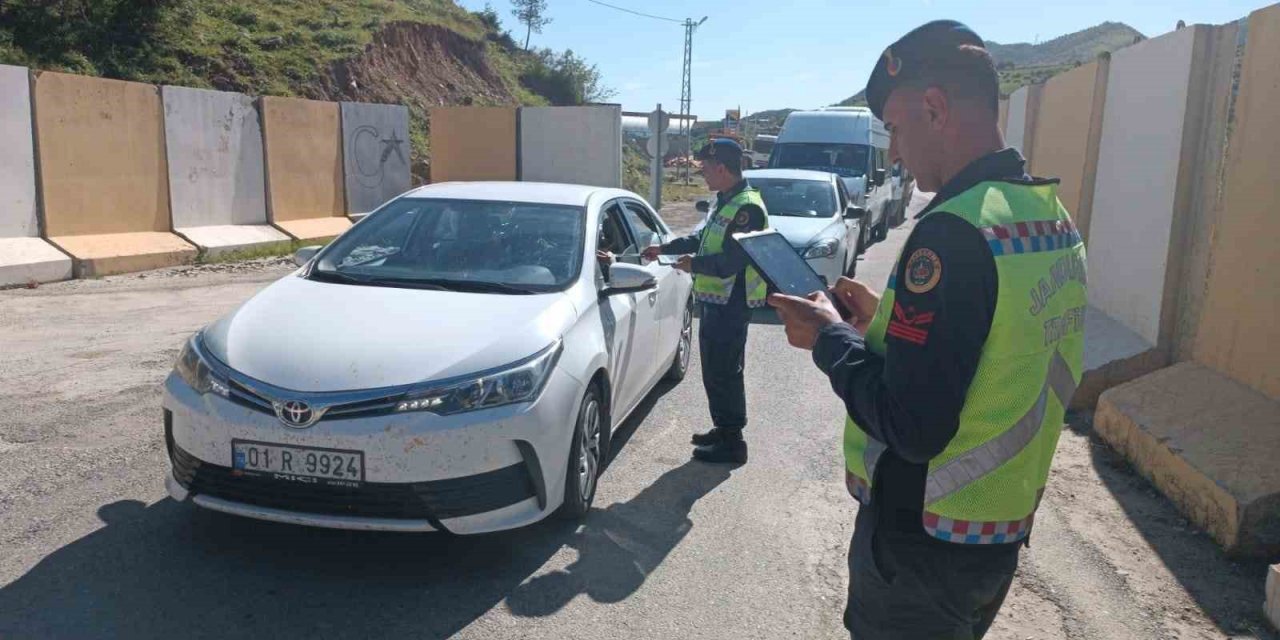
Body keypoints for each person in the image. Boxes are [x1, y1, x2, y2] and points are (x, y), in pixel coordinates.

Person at [768, 20, 1088, 639]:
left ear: (935, 108)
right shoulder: (1046, 216)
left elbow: (912, 425)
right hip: (993, 535)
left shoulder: (955, 231)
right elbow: (986, 349)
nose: (893, 152)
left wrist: (829, 339)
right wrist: (871, 325)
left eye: (894, 127)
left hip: (922, 548)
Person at [642, 139, 769, 464]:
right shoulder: (726, 201)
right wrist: (665, 248)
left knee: (725, 370)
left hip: (732, 302)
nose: (704, 176)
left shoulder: (747, 208)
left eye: (706, 170)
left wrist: (693, 264)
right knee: (714, 369)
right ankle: (723, 428)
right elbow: (702, 239)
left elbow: (731, 261)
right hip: (715, 301)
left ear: (722, 168)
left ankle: (733, 441)